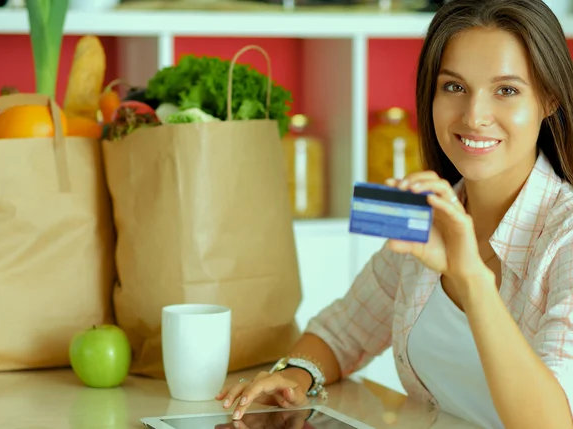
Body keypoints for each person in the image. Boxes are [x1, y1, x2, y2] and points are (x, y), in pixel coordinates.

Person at [216, 0, 573, 428]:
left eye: (507, 90)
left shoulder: (564, 238)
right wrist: (294, 376)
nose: (474, 116)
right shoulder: (427, 213)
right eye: (454, 87)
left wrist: (470, 278)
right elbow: (341, 332)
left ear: (549, 98)